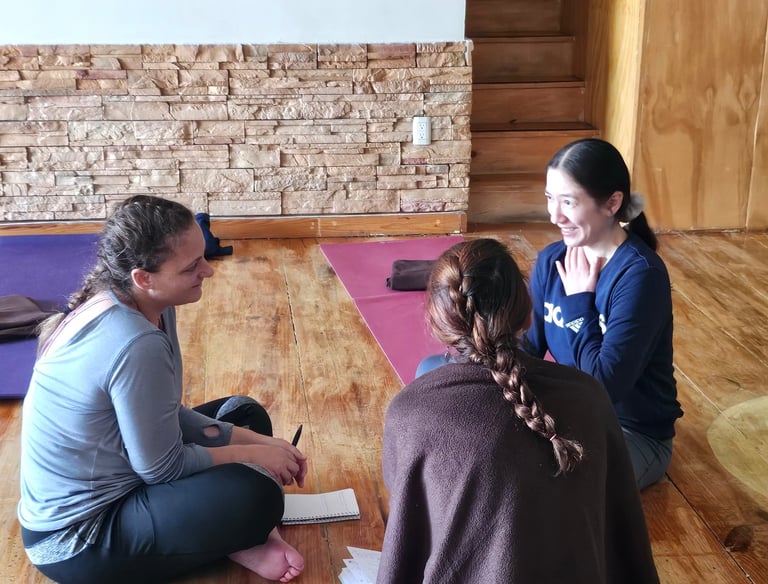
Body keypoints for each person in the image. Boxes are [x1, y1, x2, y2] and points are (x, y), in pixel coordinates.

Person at [18, 195, 307, 584]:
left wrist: (258, 442)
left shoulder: (147, 303)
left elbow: (164, 414)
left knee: (245, 413)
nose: (208, 270)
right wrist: (254, 454)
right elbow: (162, 468)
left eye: (203, 257)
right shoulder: (135, 342)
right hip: (78, 539)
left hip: (130, 474)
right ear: (144, 278)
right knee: (259, 491)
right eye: (191, 267)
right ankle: (239, 535)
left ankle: (231, 535)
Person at [379, 238, 659, 584]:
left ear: (438, 324)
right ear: (527, 314)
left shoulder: (409, 413)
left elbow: (409, 529)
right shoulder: (590, 397)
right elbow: (623, 540)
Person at [523, 138, 683, 490]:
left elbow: (604, 386)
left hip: (629, 432)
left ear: (612, 203)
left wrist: (580, 303)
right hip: (565, 412)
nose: (554, 215)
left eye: (569, 202)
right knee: (437, 376)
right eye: (550, 198)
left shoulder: (640, 276)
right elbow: (527, 348)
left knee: (543, 487)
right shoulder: (552, 260)